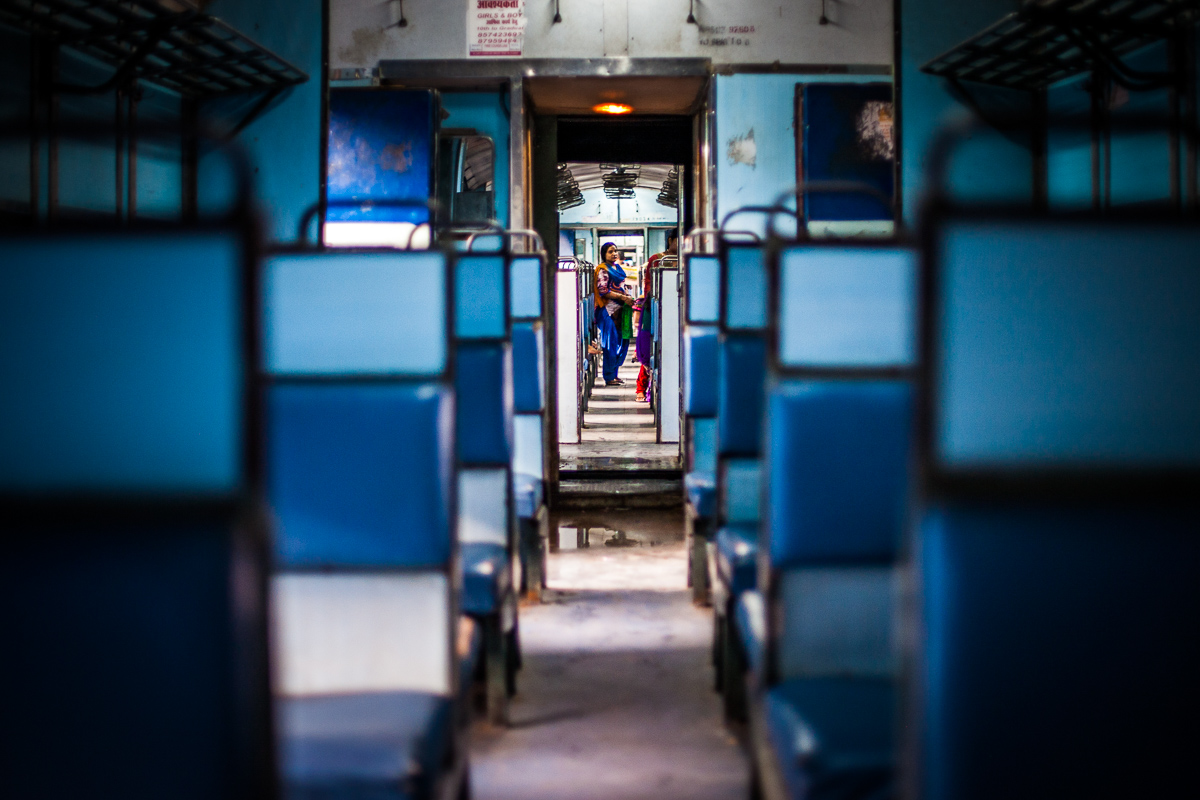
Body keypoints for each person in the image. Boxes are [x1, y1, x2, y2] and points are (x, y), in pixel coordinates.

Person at [634, 231, 678, 402]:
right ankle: (642, 387)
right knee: (651, 346)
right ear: (670, 240)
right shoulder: (657, 260)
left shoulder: (687, 260)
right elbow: (649, 287)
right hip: (656, 307)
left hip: (677, 309)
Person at [593, 242, 633, 386]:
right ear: (604, 254)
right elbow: (603, 290)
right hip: (607, 311)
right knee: (610, 344)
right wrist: (623, 297)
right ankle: (609, 376)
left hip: (620, 310)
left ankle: (614, 374)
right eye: (610, 251)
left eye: (615, 251)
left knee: (621, 342)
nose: (614, 254)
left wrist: (628, 296)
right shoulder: (603, 270)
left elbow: (622, 286)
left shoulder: (618, 269)